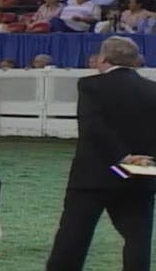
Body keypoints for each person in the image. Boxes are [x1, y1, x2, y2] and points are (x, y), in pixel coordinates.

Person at [46, 36, 156, 271]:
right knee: (137, 241)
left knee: (73, 238)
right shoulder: (152, 90)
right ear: (135, 61)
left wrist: (123, 156)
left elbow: (93, 127)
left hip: (94, 176)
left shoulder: (91, 86)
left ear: (103, 59)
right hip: (138, 174)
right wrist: (143, 159)